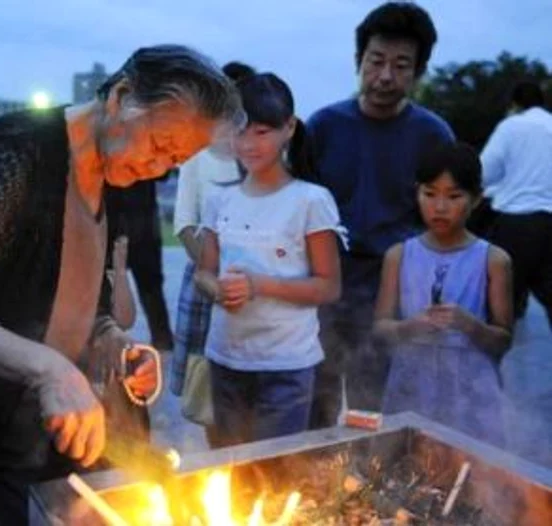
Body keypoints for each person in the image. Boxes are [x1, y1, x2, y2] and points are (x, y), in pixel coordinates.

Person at [0, 44, 243, 525]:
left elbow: (82, 291)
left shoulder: (117, 173)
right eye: (161, 144)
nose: (161, 166)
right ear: (121, 96)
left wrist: (112, 340)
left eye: (178, 159)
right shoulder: (16, 153)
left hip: (21, 429)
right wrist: (50, 370)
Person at [305, 1, 454, 428]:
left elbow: (443, 225)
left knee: (375, 409)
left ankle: (364, 487)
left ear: (418, 72)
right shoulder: (324, 127)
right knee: (317, 398)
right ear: (359, 61)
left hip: (393, 291)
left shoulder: (433, 135)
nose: (385, 76)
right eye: (376, 61)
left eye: (401, 65)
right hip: (327, 286)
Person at [196, 73, 344, 447]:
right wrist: (219, 291)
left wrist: (258, 285)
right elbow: (203, 272)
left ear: (289, 128)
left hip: (286, 365)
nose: (248, 144)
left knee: (273, 476)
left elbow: (328, 286)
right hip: (225, 359)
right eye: (240, 132)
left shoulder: (311, 201)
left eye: (262, 132)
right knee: (228, 475)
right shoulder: (218, 199)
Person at [374, 142, 513, 445]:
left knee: (474, 475)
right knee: (408, 468)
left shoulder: (493, 260)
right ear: (417, 193)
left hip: (471, 386)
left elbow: (503, 339)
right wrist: (412, 326)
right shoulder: (398, 256)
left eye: (453, 196)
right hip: (412, 380)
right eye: (429, 194)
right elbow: (381, 326)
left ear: (475, 200)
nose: (439, 207)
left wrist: (469, 324)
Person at [170, 60, 255, 446]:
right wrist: (212, 272)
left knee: (252, 385)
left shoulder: (260, 156)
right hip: (206, 284)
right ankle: (218, 456)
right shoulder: (196, 156)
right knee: (208, 391)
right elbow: (184, 223)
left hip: (255, 284)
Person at [480, 80, 552, 328]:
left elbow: (485, 172)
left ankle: (486, 362)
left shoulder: (511, 127)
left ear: (515, 104)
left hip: (517, 223)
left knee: (497, 303)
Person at [104, 177, 174, 350]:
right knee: (105, 287)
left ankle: (162, 341)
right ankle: (106, 339)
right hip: (111, 221)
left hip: (142, 222)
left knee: (151, 286)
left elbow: (163, 174)